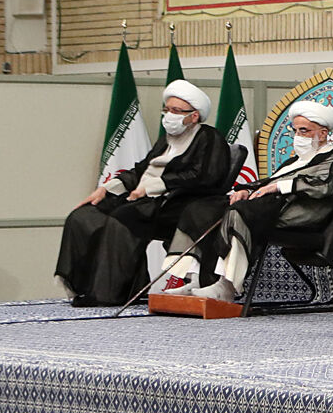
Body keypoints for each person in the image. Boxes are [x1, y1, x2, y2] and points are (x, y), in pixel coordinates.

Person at [168, 99, 333, 304]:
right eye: (295, 131)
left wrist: (280, 187)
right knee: (201, 209)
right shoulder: (295, 161)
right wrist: (247, 190)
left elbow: (325, 186)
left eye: (304, 131)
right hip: (273, 208)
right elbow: (268, 182)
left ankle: (226, 286)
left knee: (240, 213)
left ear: (323, 133)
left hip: (302, 212)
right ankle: (196, 278)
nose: (298, 136)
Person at [54, 80, 233, 306]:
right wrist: (106, 188)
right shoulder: (166, 140)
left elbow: (204, 177)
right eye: (167, 109)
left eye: (176, 110)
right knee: (84, 215)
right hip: (143, 200)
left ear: (194, 116)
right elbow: (141, 170)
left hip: (176, 203)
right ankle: (82, 285)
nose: (169, 115)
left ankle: (111, 293)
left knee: (124, 219)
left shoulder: (209, 138)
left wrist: (152, 187)